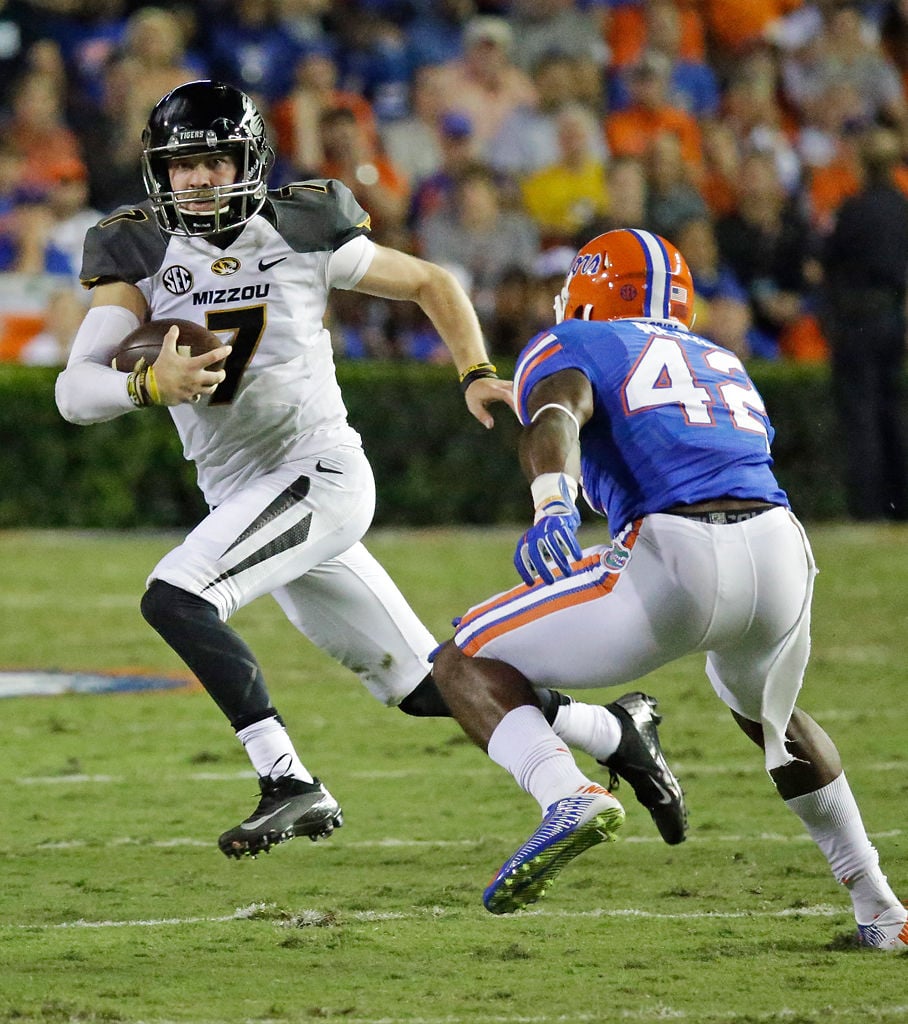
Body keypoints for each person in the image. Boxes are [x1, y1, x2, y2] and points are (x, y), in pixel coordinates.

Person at [54, 81, 682, 863]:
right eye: (184, 166)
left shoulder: (302, 226)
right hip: (250, 494)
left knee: (177, 596)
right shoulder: (142, 248)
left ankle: (287, 780)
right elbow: (75, 391)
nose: (200, 180)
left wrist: (475, 371)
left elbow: (432, 282)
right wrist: (148, 383)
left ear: (248, 161)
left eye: (216, 161)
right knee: (424, 685)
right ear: (160, 171)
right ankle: (613, 729)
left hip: (315, 474)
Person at [429, 227, 907, 950]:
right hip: (781, 551)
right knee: (770, 719)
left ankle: (567, 794)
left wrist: (551, 502)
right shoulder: (719, 357)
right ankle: (882, 909)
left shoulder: (576, 342)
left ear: (592, 287)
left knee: (461, 658)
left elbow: (559, 411)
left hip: (677, 557)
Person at [818, 124, 908, 521]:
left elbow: (828, 261)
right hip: (893, 316)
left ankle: (869, 507)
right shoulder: (902, 209)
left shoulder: (853, 209)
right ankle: (901, 502)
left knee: (861, 414)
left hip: (857, 320)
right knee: (893, 410)